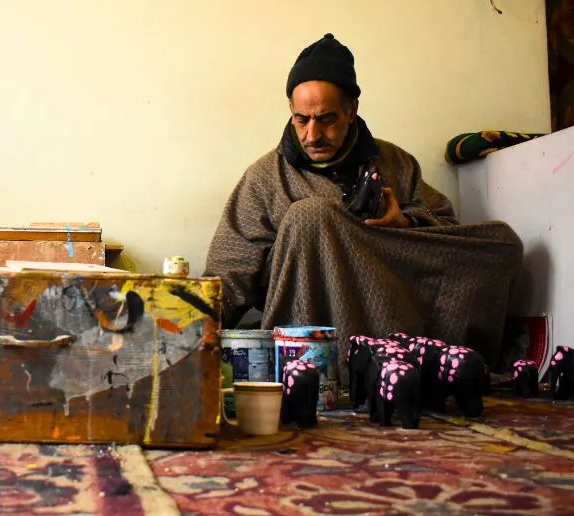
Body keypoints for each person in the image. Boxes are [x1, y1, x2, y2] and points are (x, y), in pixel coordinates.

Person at [204, 34, 522, 365]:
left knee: (503, 243)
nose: (312, 135)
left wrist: (407, 222)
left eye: (326, 119)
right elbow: (228, 271)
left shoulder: (396, 162)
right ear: (291, 111)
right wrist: (186, 333)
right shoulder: (265, 177)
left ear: (351, 110)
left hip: (390, 296)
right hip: (311, 319)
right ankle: (334, 367)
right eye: (302, 119)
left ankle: (437, 363)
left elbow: (445, 231)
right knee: (310, 215)